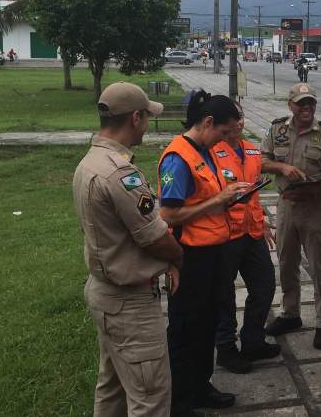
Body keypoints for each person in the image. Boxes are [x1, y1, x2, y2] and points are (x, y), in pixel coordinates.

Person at [72, 81, 184, 416]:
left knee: (113, 389)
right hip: (130, 304)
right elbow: (154, 236)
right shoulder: (121, 174)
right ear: (136, 118)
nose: (148, 124)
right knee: (149, 397)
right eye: (147, 116)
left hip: (104, 295)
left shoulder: (89, 162)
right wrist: (177, 257)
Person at [157, 90, 248, 414]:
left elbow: (204, 197)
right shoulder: (177, 157)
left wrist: (228, 195)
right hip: (189, 256)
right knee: (185, 329)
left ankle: (201, 386)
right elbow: (168, 214)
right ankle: (181, 401)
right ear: (208, 122)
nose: (225, 139)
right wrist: (218, 201)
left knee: (208, 323)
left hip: (213, 252)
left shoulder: (204, 150)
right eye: (224, 132)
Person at [261, 83, 321, 349]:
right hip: (286, 206)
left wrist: (320, 188)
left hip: (315, 208)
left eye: (310, 102)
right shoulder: (277, 130)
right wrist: (283, 167)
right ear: (291, 106)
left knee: (319, 266)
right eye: (301, 103)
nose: (307, 108)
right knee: (287, 263)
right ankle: (290, 314)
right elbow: (261, 162)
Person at [212, 103, 281, 374]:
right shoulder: (211, 152)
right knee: (224, 295)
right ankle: (226, 349)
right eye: (233, 118)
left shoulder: (252, 150)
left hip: (252, 231)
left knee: (264, 285)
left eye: (241, 117)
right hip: (225, 233)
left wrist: (263, 222)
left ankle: (253, 340)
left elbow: (254, 191)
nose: (239, 123)